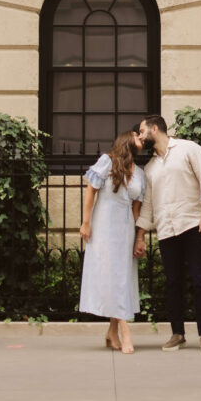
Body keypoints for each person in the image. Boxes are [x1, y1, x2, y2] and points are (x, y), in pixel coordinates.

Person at [133, 114, 201, 353]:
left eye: (142, 131)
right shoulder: (149, 168)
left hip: (193, 224)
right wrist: (140, 235)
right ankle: (177, 333)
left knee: (199, 279)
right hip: (166, 229)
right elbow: (148, 204)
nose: (140, 136)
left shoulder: (188, 149)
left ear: (156, 128)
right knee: (173, 283)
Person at [78, 130, 145, 354]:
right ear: (128, 139)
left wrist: (139, 238)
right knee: (112, 276)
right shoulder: (107, 161)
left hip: (125, 230)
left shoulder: (140, 174)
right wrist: (86, 222)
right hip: (105, 227)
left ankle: (111, 331)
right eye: (139, 136)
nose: (143, 140)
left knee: (122, 278)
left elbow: (137, 210)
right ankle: (125, 331)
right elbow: (90, 192)